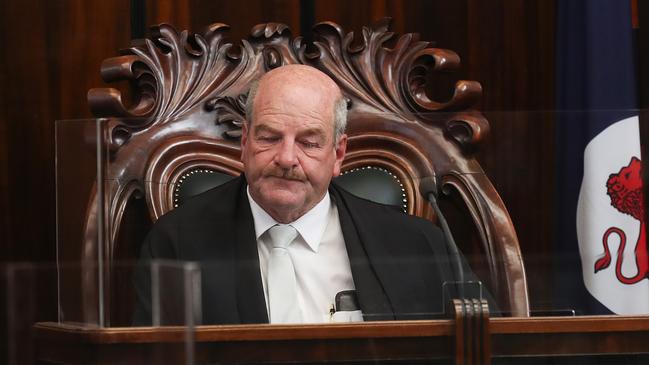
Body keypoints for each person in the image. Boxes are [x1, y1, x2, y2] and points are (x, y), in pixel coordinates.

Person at [133, 64, 483, 326]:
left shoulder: (416, 244)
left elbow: (491, 345)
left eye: (309, 143)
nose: (287, 159)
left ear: (338, 154)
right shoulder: (177, 243)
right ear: (244, 143)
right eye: (269, 138)